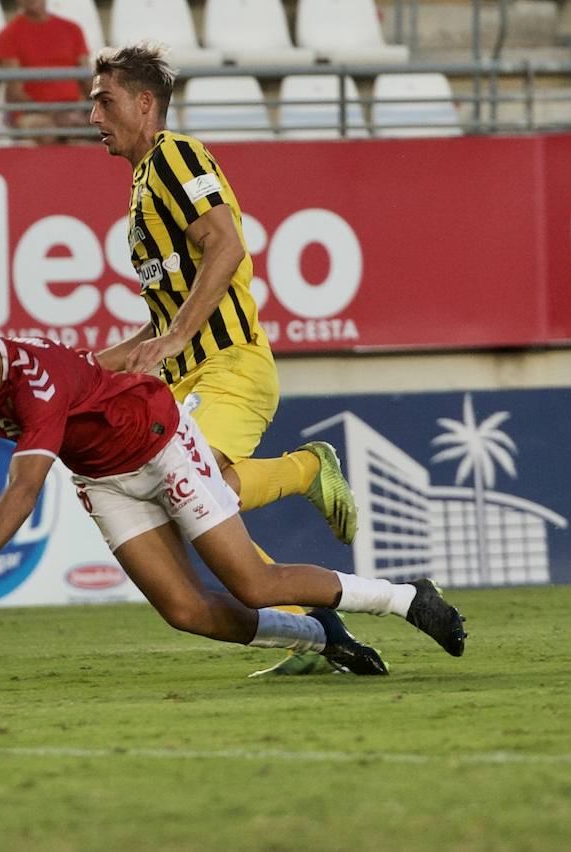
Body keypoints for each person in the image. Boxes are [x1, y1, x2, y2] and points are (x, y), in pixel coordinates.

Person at [0, 301, 468, 675]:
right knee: (184, 612)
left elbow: (25, 487)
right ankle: (324, 638)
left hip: (161, 442)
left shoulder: (35, 382)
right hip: (105, 477)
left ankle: (405, 599)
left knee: (251, 582)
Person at [89, 41, 356, 676]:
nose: (93, 116)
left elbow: (228, 245)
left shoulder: (175, 156)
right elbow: (161, 325)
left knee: (196, 491)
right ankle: (312, 632)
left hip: (230, 363)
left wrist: (180, 337)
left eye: (104, 101)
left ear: (145, 104)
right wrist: (88, 369)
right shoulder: (141, 189)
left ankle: (305, 469)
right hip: (190, 383)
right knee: (189, 511)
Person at [0, 0, 89, 143]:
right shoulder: (8, 35)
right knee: (43, 129)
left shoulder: (72, 29)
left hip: (73, 112)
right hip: (34, 115)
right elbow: (15, 92)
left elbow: (88, 82)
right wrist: (56, 114)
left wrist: (84, 111)